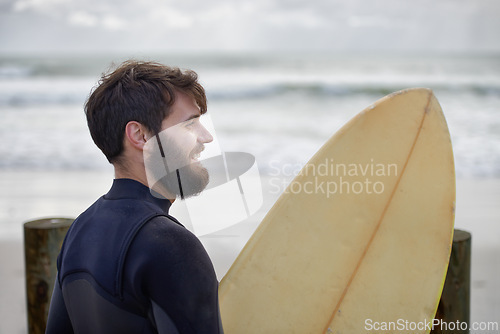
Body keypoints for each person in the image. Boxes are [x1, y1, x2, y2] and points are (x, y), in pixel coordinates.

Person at [46, 60, 224, 334]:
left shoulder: (79, 232)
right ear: (140, 135)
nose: (206, 137)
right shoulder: (173, 246)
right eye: (190, 125)